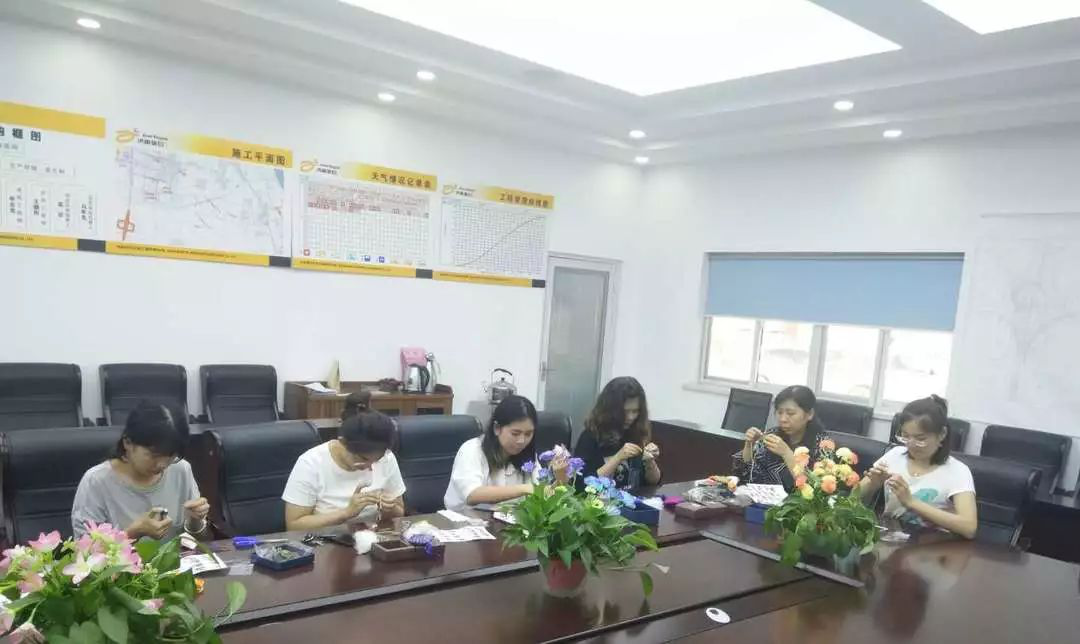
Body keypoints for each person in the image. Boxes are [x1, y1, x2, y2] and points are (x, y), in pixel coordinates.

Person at [71, 403, 210, 540]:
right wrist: (131, 534)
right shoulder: (96, 482)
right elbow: (86, 550)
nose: (162, 465)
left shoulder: (181, 470)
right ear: (127, 442)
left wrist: (195, 522)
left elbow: (200, 541)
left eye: (171, 456)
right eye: (154, 455)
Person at [859, 396, 977, 539]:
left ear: (942, 434)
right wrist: (872, 485)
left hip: (932, 547)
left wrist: (911, 502)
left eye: (921, 439)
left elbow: (969, 528)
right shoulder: (895, 455)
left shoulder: (958, 471)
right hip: (889, 540)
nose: (911, 444)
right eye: (905, 436)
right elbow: (853, 498)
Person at [283, 407, 406, 531]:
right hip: (325, 538)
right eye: (363, 459)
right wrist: (346, 513)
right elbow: (294, 526)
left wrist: (389, 508)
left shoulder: (387, 458)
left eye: (377, 460)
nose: (370, 467)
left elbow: (399, 513)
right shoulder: (311, 463)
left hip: (373, 536)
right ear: (342, 442)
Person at [444, 395, 568, 509]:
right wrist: (526, 488)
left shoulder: (528, 455)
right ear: (496, 428)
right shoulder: (472, 449)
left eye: (528, 434)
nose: (521, 441)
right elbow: (472, 495)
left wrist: (561, 479)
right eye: (515, 433)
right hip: (465, 521)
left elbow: (542, 494)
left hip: (507, 521)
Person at [732, 385, 830, 489]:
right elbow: (746, 474)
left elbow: (815, 488)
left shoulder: (824, 445)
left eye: (790, 413)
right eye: (779, 412)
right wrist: (749, 445)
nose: (783, 419)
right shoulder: (772, 434)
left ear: (809, 414)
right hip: (762, 496)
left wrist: (786, 453)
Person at [574, 377, 661, 489]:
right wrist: (618, 458)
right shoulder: (590, 437)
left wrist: (650, 462)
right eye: (624, 412)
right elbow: (581, 485)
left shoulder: (636, 432)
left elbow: (653, 482)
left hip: (634, 498)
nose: (630, 417)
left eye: (635, 411)